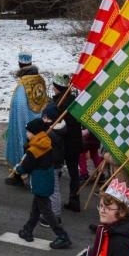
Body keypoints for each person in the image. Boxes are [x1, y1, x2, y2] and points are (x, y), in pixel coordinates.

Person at [16, 118, 72, 249]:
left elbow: (26, 167)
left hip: (39, 182)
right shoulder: (46, 143)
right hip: (47, 180)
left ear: (34, 133)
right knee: (36, 208)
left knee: (46, 212)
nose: (27, 134)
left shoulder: (34, 150)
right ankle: (28, 229)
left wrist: (18, 169)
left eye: (28, 132)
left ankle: (62, 236)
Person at [46, 73, 83, 212]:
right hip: (75, 141)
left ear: (57, 87)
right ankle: (74, 200)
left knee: (55, 171)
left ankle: (51, 199)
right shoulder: (75, 101)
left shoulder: (58, 104)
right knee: (74, 173)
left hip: (61, 143)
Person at [5, 52, 48, 167]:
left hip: (25, 123)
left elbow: (19, 107)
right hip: (38, 121)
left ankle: (21, 166)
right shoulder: (40, 80)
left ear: (19, 64)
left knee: (24, 143)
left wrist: (19, 126)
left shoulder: (22, 84)